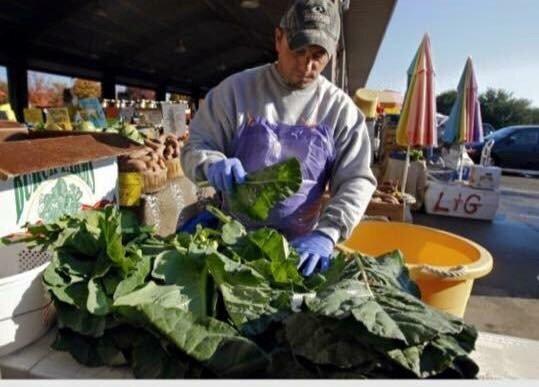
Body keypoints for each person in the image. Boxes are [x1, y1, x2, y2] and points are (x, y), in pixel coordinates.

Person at [181, 0, 376, 276]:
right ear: (278, 38)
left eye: (318, 55)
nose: (307, 65)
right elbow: (195, 146)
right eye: (299, 50)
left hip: (299, 255)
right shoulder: (235, 92)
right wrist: (211, 163)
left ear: (332, 54)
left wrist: (328, 233)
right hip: (232, 244)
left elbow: (357, 179)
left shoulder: (340, 111)